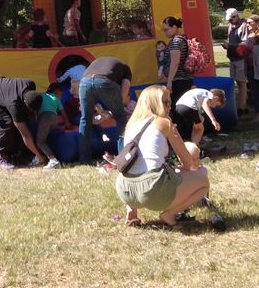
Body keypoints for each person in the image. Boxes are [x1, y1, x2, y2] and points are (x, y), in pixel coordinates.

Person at [114, 85, 210, 227]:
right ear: (154, 103)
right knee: (203, 181)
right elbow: (188, 163)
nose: (170, 107)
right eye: (166, 102)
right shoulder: (164, 123)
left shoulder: (131, 125)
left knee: (136, 168)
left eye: (170, 102)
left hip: (125, 189)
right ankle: (169, 214)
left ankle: (132, 212)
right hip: (151, 190)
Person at [0, 77, 46, 169]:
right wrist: (39, 155)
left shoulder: (31, 84)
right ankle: (3, 157)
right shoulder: (14, 104)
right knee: (7, 125)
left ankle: (18, 154)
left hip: (4, 89)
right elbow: (25, 134)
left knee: (24, 119)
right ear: (24, 102)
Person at [77, 56, 133, 164]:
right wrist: (114, 112)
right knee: (120, 117)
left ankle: (84, 159)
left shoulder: (100, 62)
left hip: (84, 82)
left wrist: (106, 112)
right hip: (104, 80)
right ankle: (123, 156)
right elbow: (123, 97)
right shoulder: (126, 70)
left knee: (85, 120)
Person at [160, 16, 194, 105]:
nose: (165, 33)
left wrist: (169, 82)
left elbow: (175, 63)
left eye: (166, 30)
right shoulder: (184, 38)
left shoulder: (175, 42)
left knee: (177, 109)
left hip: (178, 81)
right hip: (186, 79)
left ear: (174, 27)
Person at [223, 8, 249, 116]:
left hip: (241, 58)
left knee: (242, 82)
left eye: (231, 19)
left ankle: (241, 108)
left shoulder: (244, 26)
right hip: (233, 58)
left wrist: (231, 46)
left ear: (236, 16)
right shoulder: (231, 26)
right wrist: (227, 46)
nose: (230, 21)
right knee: (236, 82)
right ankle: (243, 105)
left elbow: (245, 43)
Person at [35, 83, 66, 169]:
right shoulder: (55, 98)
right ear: (56, 92)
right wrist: (67, 122)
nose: (62, 96)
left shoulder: (42, 95)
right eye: (61, 94)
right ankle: (40, 158)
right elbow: (62, 111)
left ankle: (53, 160)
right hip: (54, 117)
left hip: (45, 117)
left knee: (40, 141)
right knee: (44, 139)